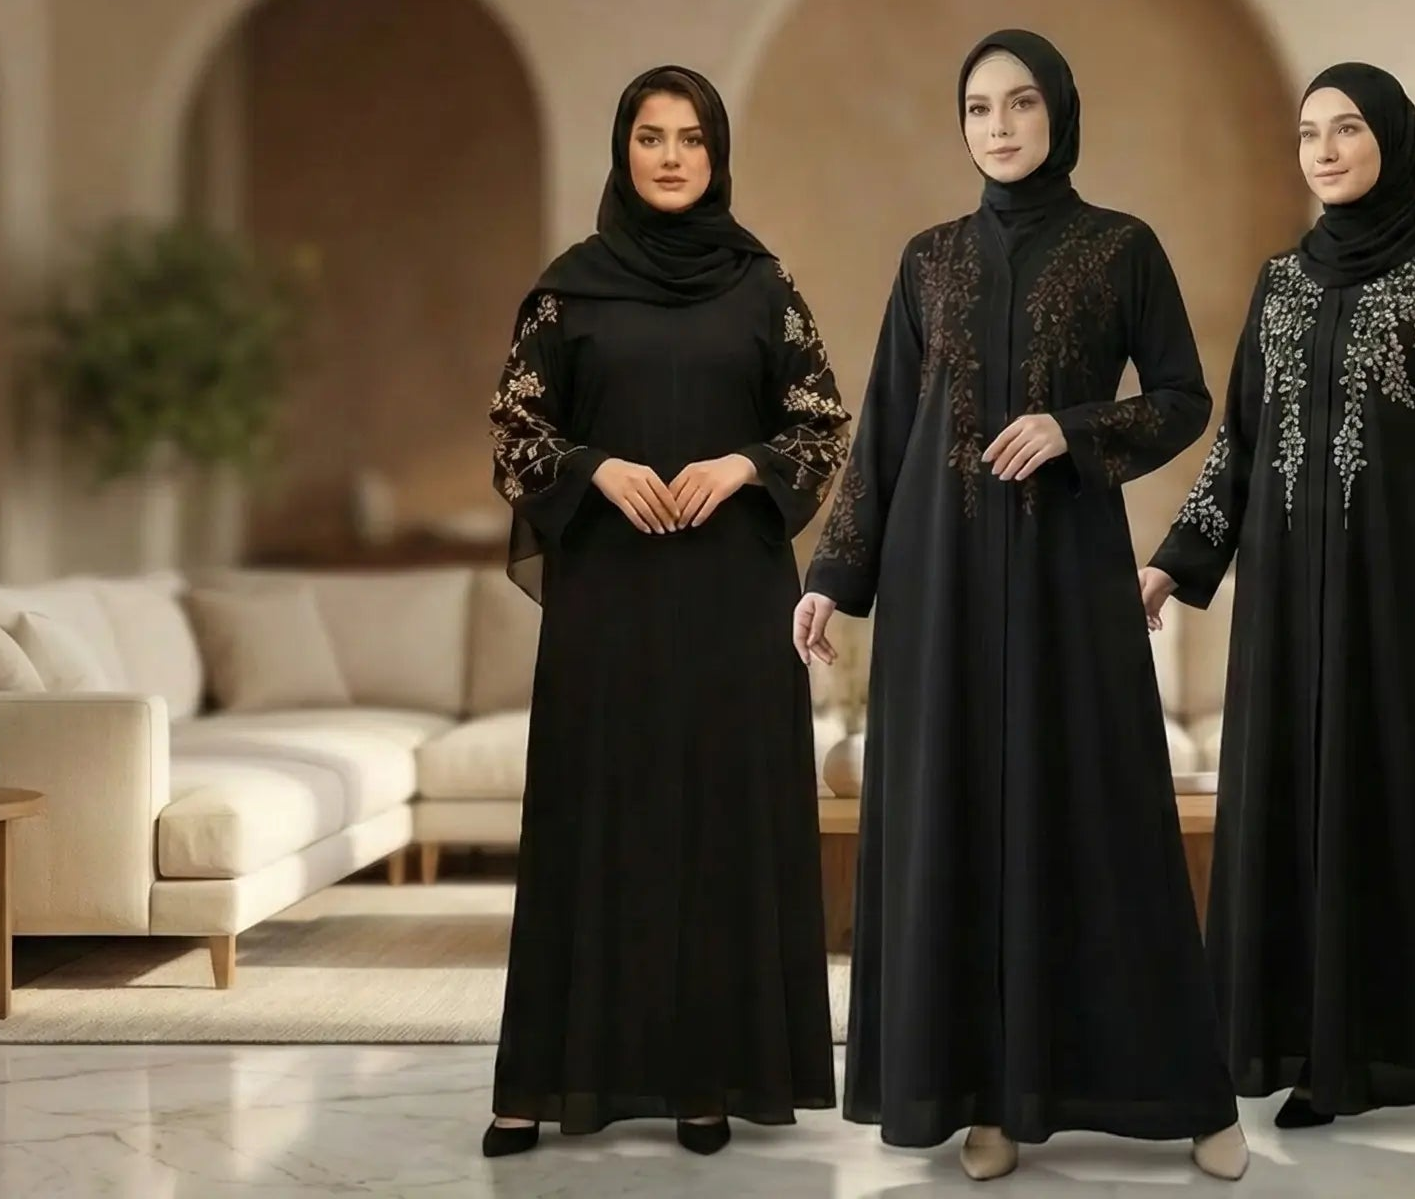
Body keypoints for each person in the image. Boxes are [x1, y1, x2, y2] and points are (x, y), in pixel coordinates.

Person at [793, 28, 1249, 1183]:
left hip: (1066, 584)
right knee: (961, 829)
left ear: (1059, 116)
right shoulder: (927, 259)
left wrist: (1074, 429)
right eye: (979, 108)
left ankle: (1196, 1100)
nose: (999, 126)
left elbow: (1186, 399)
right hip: (939, 591)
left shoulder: (1117, 249)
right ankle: (986, 1100)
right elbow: (886, 433)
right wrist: (833, 581)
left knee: (1104, 824)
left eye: (1021, 104)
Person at [1140, 61, 1415, 1134]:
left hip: (1398, 595)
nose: (1321, 149)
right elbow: (1241, 445)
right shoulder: (1283, 281)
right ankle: (1317, 1057)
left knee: (1412, 815)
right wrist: (1174, 559)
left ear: (1391, 139)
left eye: (1345, 129)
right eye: (1308, 132)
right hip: (1284, 605)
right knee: (1296, 816)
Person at [484, 63, 849, 1159]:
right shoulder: (568, 288)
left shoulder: (763, 286)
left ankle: (707, 1081)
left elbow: (824, 425)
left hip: (734, 598)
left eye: (691, 137)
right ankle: (538, 1087)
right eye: (651, 136)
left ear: (716, 151)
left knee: (717, 828)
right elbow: (513, 432)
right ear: (623, 149)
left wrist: (743, 465)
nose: (673, 156)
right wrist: (593, 468)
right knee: (594, 820)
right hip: (610, 599)